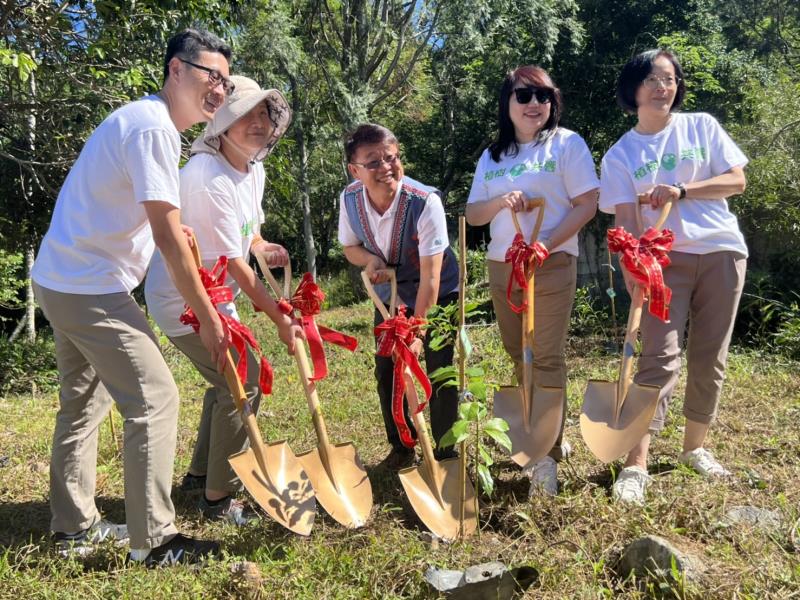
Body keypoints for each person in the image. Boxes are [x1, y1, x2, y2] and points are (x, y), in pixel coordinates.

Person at [31, 29, 233, 566]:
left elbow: (150, 222)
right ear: (175, 69)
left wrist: (175, 236)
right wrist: (209, 318)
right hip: (88, 285)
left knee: (83, 403)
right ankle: (156, 540)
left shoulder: (147, 123)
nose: (220, 88)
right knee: (156, 397)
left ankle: (74, 527)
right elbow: (166, 238)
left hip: (62, 277)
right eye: (211, 74)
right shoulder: (152, 129)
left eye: (226, 81)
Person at [145, 75, 302, 524]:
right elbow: (235, 267)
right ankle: (219, 499)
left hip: (217, 294)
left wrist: (263, 246)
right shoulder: (206, 176)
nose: (257, 123)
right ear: (222, 125)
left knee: (224, 380)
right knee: (244, 376)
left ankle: (198, 477)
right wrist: (278, 318)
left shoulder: (253, 168)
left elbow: (246, 236)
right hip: (182, 297)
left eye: (263, 114)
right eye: (245, 114)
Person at [599, 49, 748, 505]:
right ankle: (635, 463)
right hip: (661, 264)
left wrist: (681, 191)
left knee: (710, 355)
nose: (663, 87)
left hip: (722, 251)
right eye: (652, 79)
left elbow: (736, 180)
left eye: (669, 78)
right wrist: (631, 269)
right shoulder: (621, 154)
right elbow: (623, 222)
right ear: (634, 89)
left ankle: (694, 448)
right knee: (658, 358)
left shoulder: (701, 126)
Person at [465, 65, 598, 497]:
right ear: (508, 102)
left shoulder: (566, 144)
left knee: (543, 353)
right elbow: (472, 214)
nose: (534, 104)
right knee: (516, 350)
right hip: (503, 263)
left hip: (550, 260)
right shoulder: (492, 155)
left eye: (543, 96)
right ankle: (539, 426)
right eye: (524, 95)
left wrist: (546, 243)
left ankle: (548, 453)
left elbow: (587, 204)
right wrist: (500, 201)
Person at [338, 124, 459, 469]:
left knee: (439, 368)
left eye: (391, 158)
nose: (386, 167)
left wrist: (418, 334)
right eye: (373, 162)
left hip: (435, 292)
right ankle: (403, 446)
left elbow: (431, 277)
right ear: (355, 170)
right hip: (389, 294)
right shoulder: (350, 199)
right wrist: (370, 259)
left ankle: (447, 450)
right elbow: (350, 247)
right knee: (388, 368)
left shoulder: (425, 203)